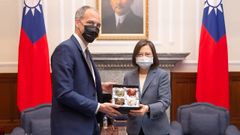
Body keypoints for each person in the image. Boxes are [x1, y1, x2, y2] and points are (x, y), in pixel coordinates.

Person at [51, 6, 121, 135]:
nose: (95, 28)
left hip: (89, 125)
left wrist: (100, 87)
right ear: (77, 23)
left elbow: (78, 83)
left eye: (98, 25)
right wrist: (99, 107)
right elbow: (64, 93)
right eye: (90, 23)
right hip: (71, 128)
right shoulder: (65, 49)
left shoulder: (85, 51)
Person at [123, 39, 171, 135]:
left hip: (156, 129)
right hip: (134, 129)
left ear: (153, 56)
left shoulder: (162, 75)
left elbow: (165, 102)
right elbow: (126, 100)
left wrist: (147, 108)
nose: (143, 57)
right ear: (135, 56)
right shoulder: (128, 76)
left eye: (147, 54)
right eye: (140, 54)